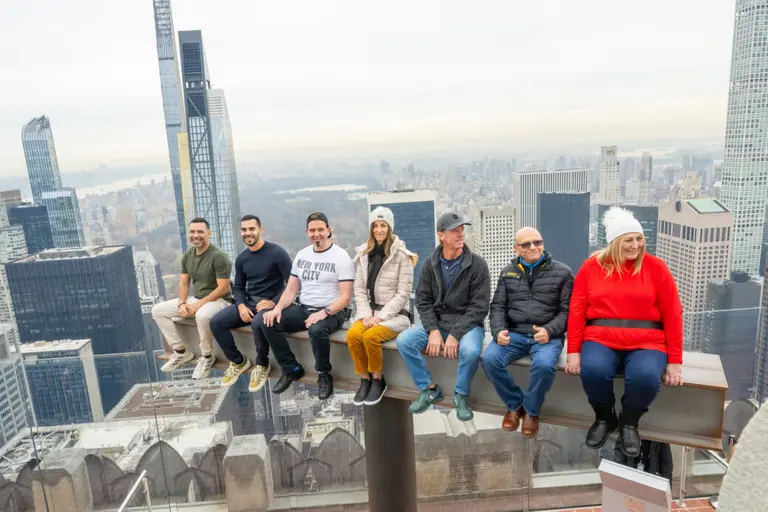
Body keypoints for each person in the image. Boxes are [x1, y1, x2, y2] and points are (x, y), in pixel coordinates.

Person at [566, 206, 684, 457]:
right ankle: (604, 417)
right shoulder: (592, 267)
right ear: (614, 242)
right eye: (628, 240)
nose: (635, 245)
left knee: (645, 377)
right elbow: (577, 310)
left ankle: (629, 422)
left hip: (647, 341)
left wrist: (674, 361)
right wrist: (573, 351)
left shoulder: (656, 268)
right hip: (600, 337)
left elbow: (673, 314)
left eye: (639, 238)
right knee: (594, 371)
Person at [396, 212, 490, 421]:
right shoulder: (431, 264)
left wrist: (455, 334)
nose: (460, 234)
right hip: (438, 322)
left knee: (471, 351)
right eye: (454, 230)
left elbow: (480, 307)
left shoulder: (477, 265)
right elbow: (423, 300)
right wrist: (433, 330)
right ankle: (428, 389)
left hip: (468, 325)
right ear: (441, 235)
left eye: (462, 230)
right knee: (404, 341)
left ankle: (461, 395)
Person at [482, 227, 573, 437]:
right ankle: (514, 405)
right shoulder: (508, 272)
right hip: (514, 333)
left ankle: (532, 411)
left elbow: (567, 311)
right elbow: (497, 306)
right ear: (517, 249)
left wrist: (550, 331)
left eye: (537, 242)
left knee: (544, 366)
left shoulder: (563, 272)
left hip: (546, 336)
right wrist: (497, 331)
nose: (533, 247)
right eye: (526, 244)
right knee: (489, 359)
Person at [262, 212, 354, 400]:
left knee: (316, 330)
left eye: (321, 229)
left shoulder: (341, 257)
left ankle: (323, 374)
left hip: (332, 311)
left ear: (329, 230)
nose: (316, 234)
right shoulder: (302, 256)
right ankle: (291, 368)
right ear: (307, 232)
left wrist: (324, 313)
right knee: (269, 323)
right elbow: (291, 290)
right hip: (304, 308)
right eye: (312, 230)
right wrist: (278, 308)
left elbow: (345, 297)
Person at [209, 215, 292, 391]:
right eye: (244, 230)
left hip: (270, 305)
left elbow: (292, 284)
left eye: (251, 229)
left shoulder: (277, 253)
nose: (248, 233)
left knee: (257, 323)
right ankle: (238, 361)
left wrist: (273, 302)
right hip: (248, 304)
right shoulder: (242, 259)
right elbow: (238, 287)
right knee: (216, 322)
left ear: (260, 230)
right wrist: (240, 306)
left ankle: (262, 364)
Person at [347, 206, 417, 406]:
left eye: (383, 225)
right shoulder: (363, 255)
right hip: (369, 312)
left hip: (395, 315)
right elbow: (358, 289)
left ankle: (378, 379)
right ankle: (364, 378)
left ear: (390, 228)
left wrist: (381, 317)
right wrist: (367, 315)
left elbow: (403, 294)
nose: (379, 230)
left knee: (370, 336)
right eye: (375, 226)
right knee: (353, 335)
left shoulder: (402, 256)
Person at [152, 217, 233, 379]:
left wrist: (197, 306)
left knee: (202, 315)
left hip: (221, 301)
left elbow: (223, 287)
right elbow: (183, 282)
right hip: (196, 299)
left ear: (209, 233)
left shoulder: (219, 256)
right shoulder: (188, 255)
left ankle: (207, 356)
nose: (195, 235)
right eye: (192, 231)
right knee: (158, 311)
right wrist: (182, 303)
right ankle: (181, 351)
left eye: (200, 232)